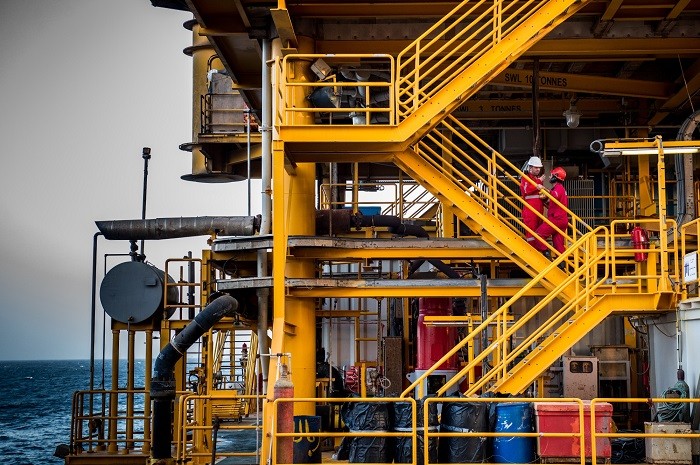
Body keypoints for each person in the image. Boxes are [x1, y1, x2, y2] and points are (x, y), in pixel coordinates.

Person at [533, 167, 569, 254]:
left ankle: (546, 253)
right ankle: (562, 264)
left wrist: (543, 188)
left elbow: (554, 196)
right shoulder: (560, 189)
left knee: (538, 235)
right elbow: (554, 203)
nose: (549, 177)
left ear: (555, 177)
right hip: (562, 219)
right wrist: (544, 200)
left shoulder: (558, 188)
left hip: (556, 219)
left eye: (551, 175)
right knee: (558, 244)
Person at [520, 156, 546, 246]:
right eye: (536, 167)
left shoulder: (536, 179)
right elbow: (527, 190)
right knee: (531, 229)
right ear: (530, 167)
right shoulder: (525, 178)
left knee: (538, 229)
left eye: (539, 167)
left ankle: (538, 247)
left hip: (538, 207)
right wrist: (538, 182)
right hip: (530, 208)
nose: (538, 169)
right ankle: (532, 249)